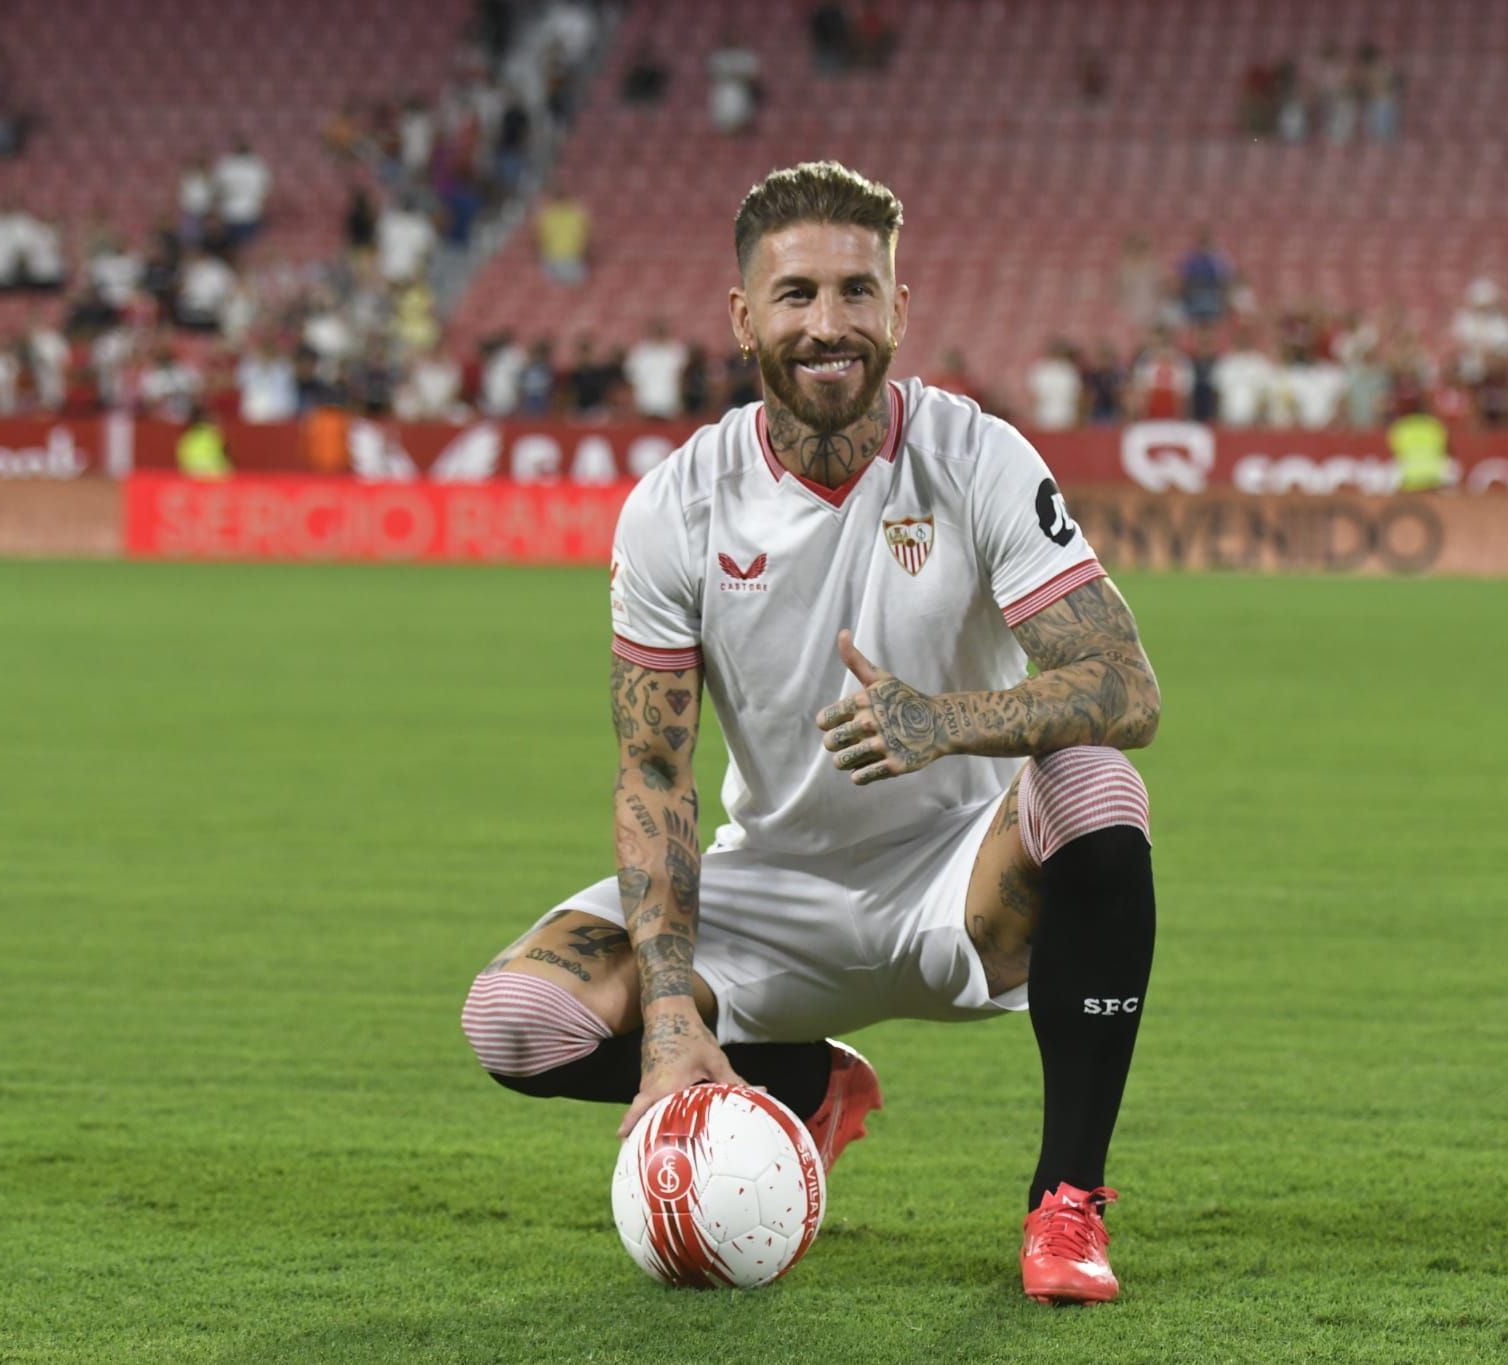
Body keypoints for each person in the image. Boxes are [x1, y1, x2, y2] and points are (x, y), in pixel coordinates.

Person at [460, 162, 1160, 1307]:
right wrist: (673, 1018)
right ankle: (796, 1081)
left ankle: (1064, 1205)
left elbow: (1124, 686)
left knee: (1093, 782)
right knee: (516, 1021)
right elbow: (655, 769)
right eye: (794, 296)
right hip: (771, 889)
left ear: (897, 307)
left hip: (963, 888)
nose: (826, 324)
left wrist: (948, 723)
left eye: (854, 291)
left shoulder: (978, 457)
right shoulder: (678, 503)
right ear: (743, 319)